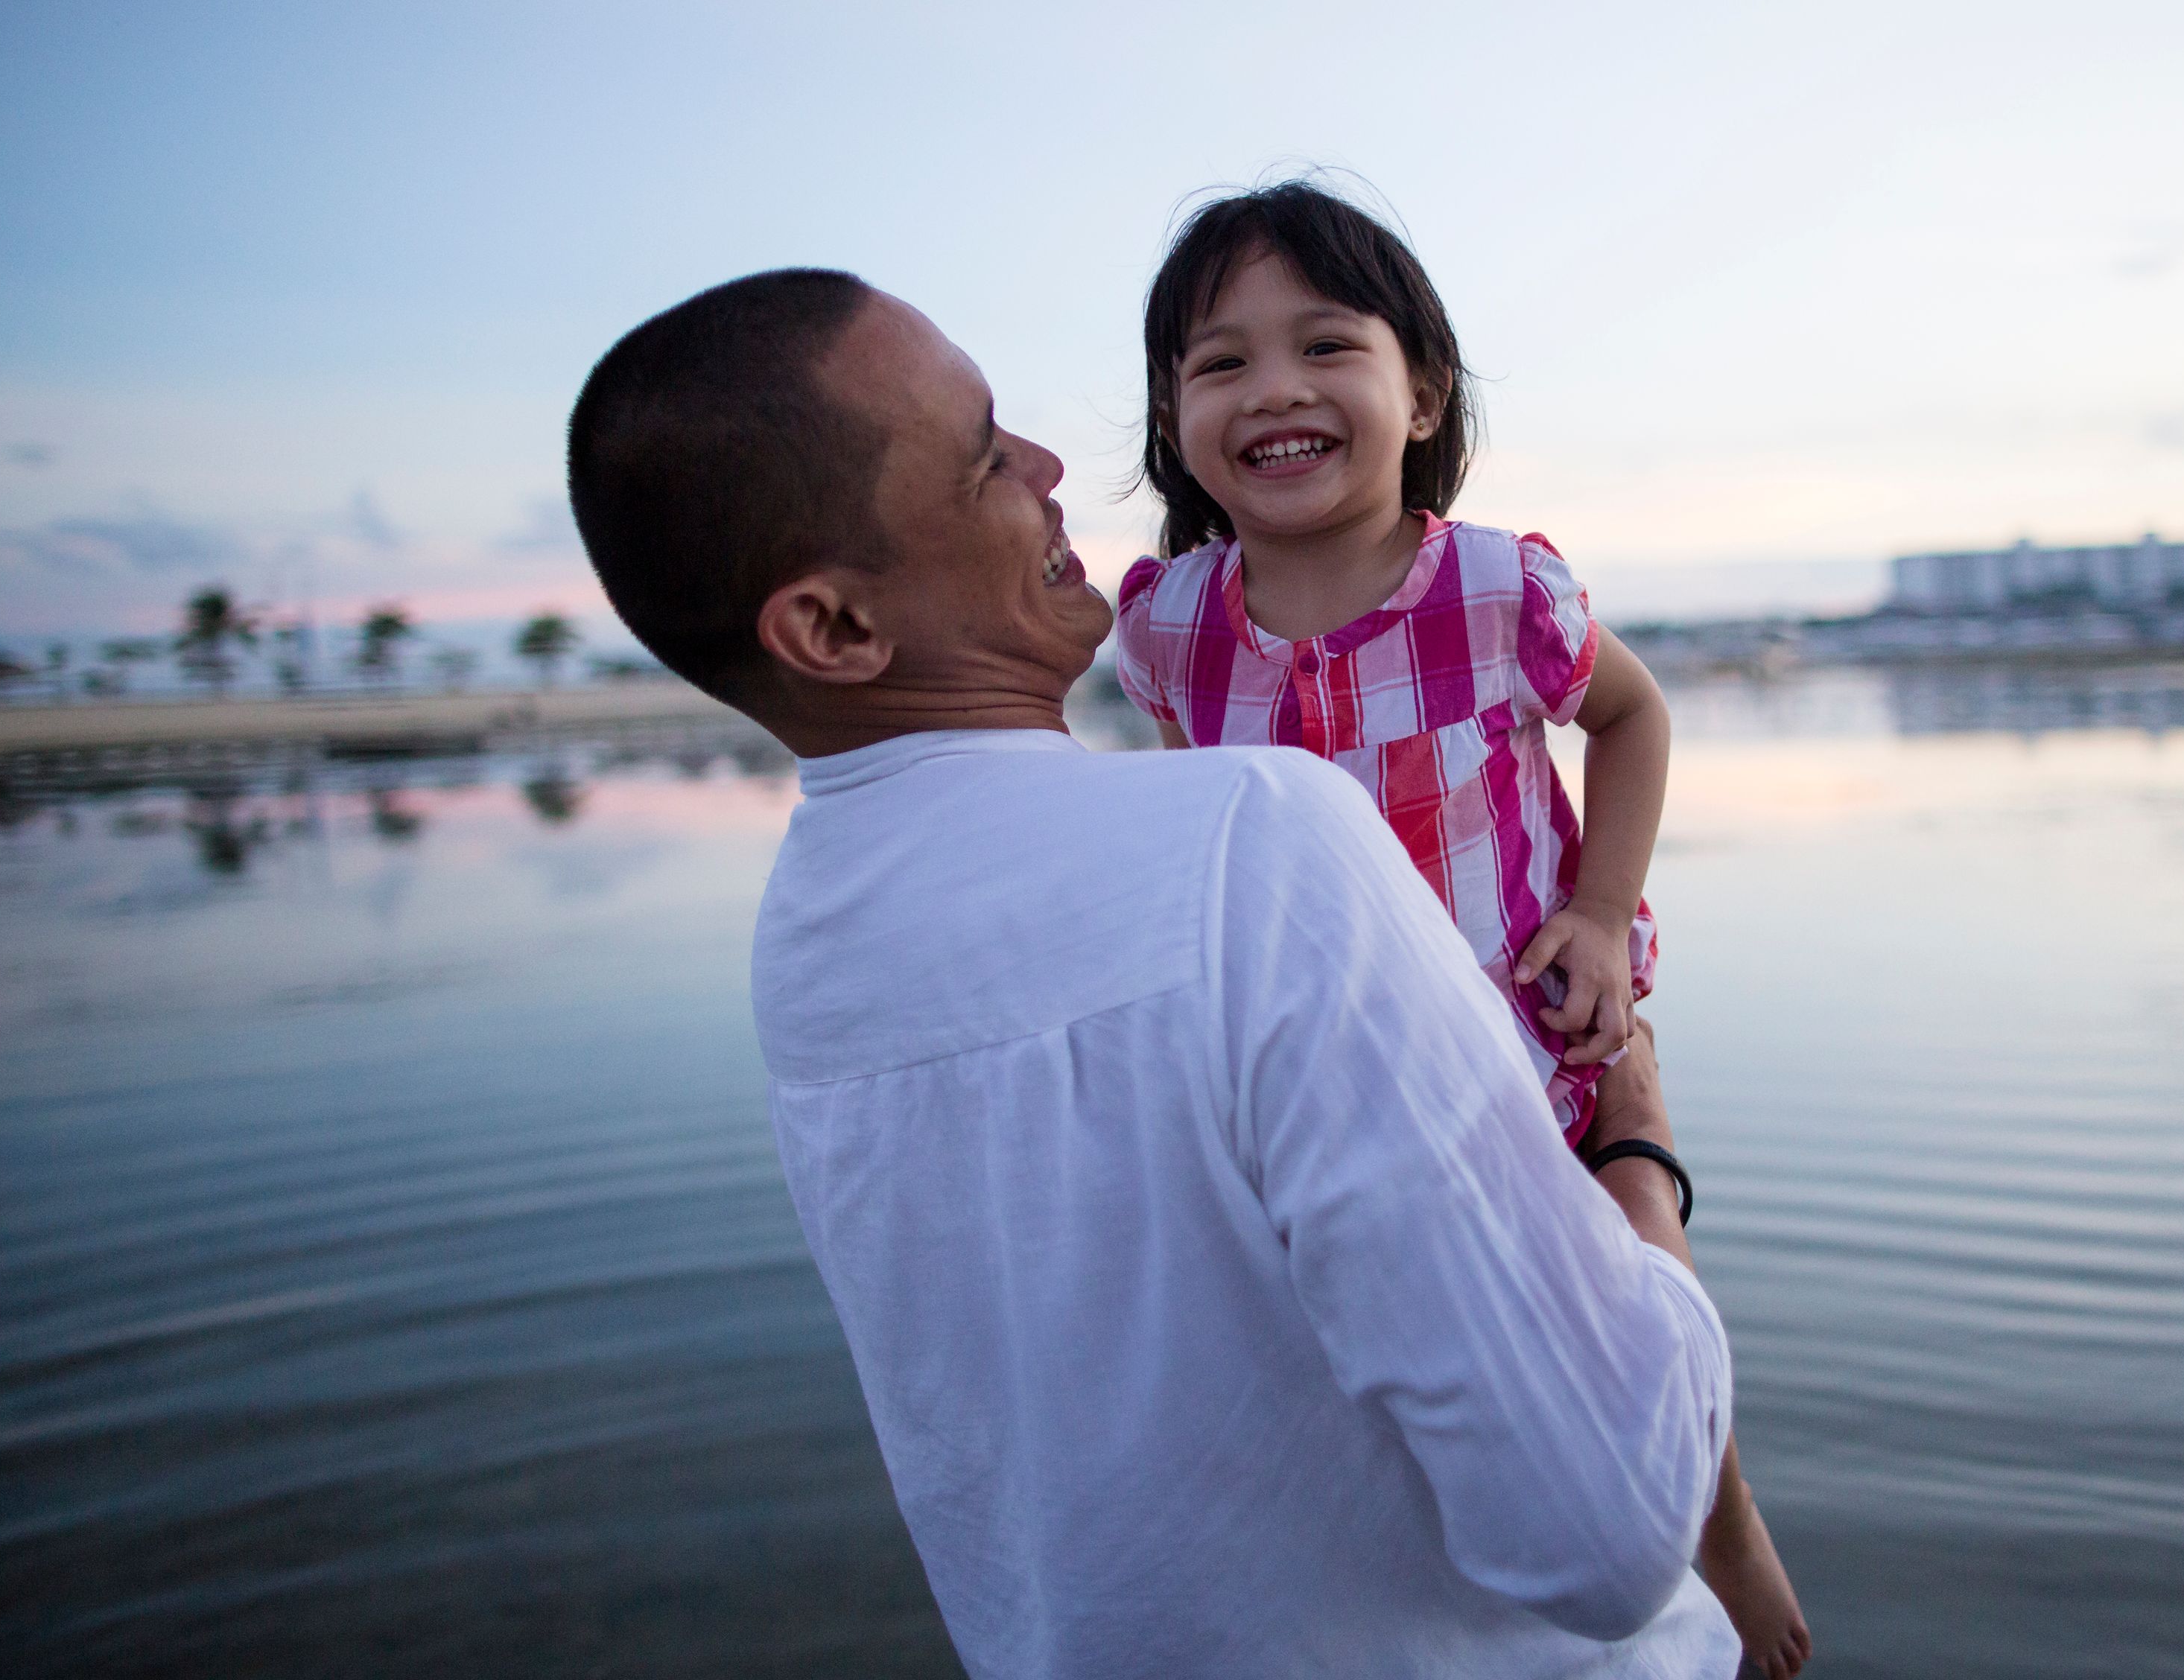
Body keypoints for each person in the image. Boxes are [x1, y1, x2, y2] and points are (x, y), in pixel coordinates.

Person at [565, 268, 1743, 1678]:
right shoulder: (1260, 842)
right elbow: (1609, 1531)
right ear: (833, 631)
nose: (1054, 468)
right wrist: (1637, 1143)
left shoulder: (806, 955)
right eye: (985, 452)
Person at [1111, 182, 1809, 1679]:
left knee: (1632, 1289)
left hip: (1520, 1025)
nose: (1275, 389)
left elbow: (1632, 712)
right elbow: (1205, 810)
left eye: (1325, 345)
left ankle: (1729, 1533)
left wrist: (1603, 917)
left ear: (1420, 389)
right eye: (1219, 361)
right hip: (1323, 1071)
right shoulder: (1171, 625)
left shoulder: (1494, 590)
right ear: (1172, 419)